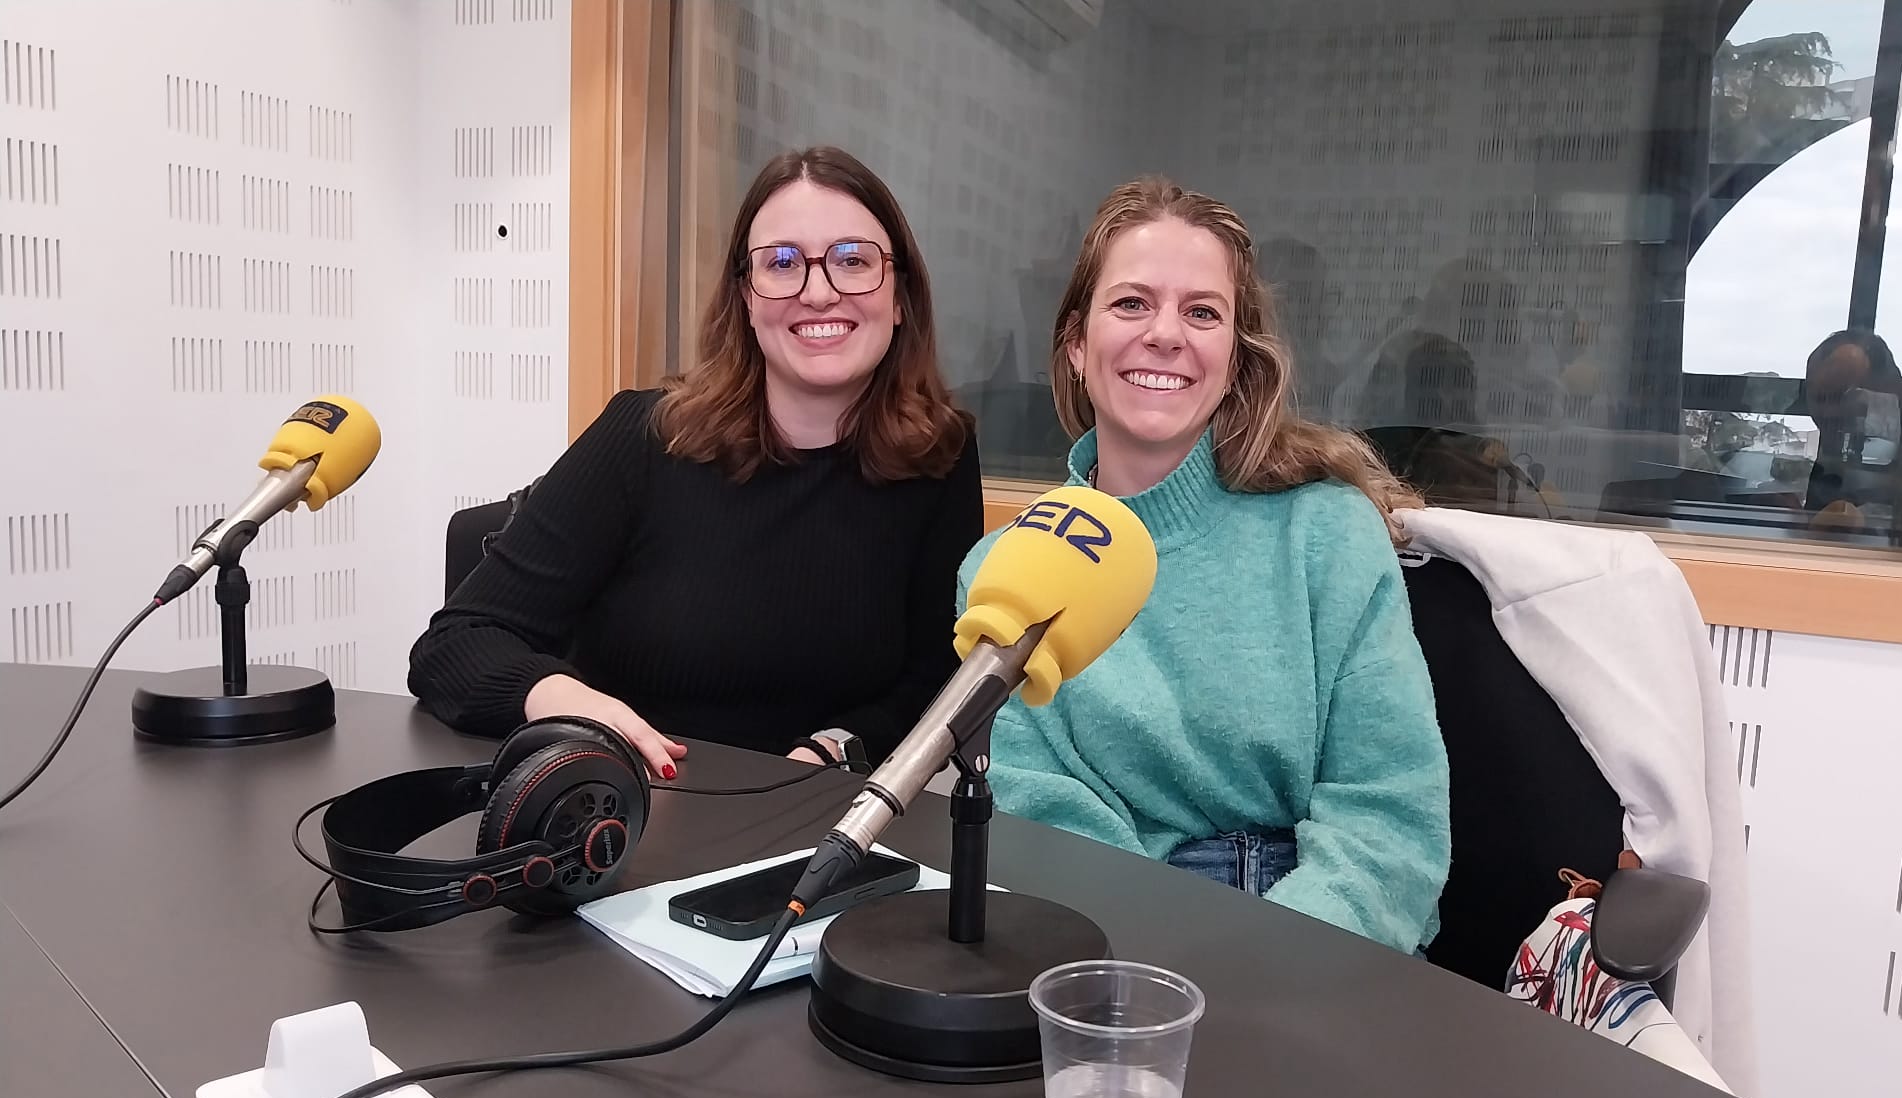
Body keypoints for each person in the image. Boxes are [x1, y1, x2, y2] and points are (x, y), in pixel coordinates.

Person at [958, 176, 1451, 953]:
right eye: (1130, 303)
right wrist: (1156, 967)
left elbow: (1389, 817)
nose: (1166, 334)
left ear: (1234, 358)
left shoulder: (1327, 535)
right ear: (1077, 346)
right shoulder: (1008, 569)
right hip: (1110, 942)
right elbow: (1035, 818)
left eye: (1202, 312)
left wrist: (1260, 969)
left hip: (1322, 944)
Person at [409, 146, 982, 779]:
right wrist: (565, 702)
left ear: (901, 295)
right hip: (627, 811)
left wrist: (838, 747)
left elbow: (936, 682)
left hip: (818, 827)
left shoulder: (941, 457)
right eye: (782, 263)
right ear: (746, 297)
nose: (818, 291)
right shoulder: (644, 435)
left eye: (853, 261)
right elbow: (452, 645)